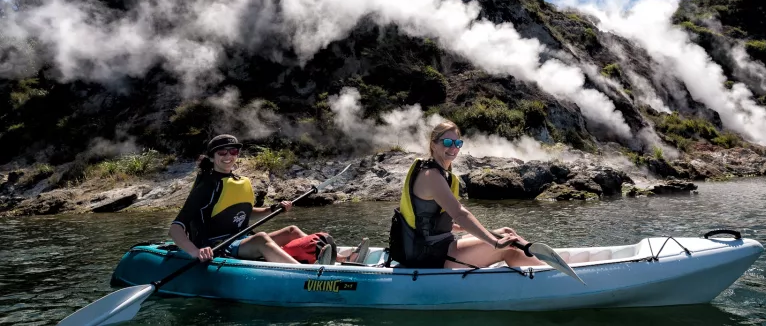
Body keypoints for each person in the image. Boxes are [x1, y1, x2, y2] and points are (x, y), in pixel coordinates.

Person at [169, 134, 369, 265]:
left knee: (292, 231)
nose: (229, 156)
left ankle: (344, 259)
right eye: (222, 152)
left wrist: (273, 209)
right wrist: (196, 252)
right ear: (212, 157)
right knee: (261, 238)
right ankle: (304, 273)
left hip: (240, 240)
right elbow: (176, 227)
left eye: (233, 151)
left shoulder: (237, 181)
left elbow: (245, 213)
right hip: (219, 246)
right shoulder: (206, 186)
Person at [388, 121, 543, 269]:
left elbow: (426, 217)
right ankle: (548, 275)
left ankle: (542, 267)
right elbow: (459, 213)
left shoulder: (440, 173)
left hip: (436, 245)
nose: (453, 148)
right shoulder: (431, 175)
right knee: (508, 247)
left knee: (506, 233)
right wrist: (494, 244)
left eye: (458, 143)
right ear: (433, 144)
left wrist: (452, 227)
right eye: (447, 142)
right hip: (428, 253)